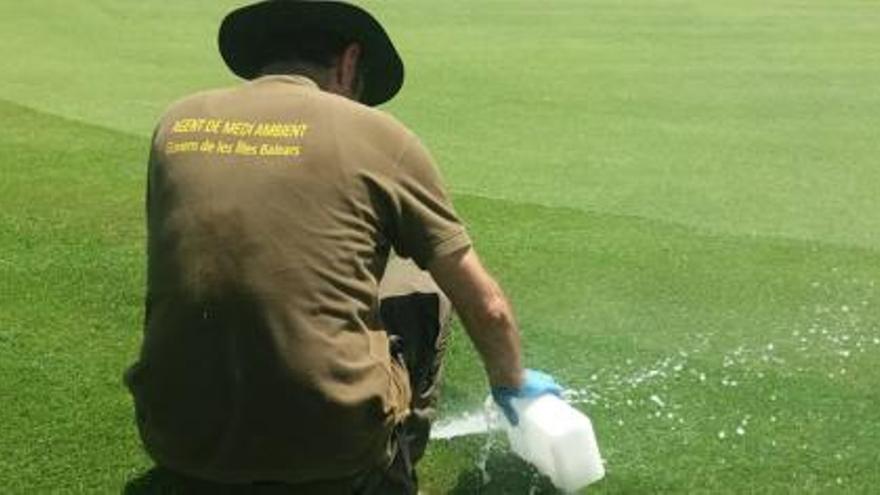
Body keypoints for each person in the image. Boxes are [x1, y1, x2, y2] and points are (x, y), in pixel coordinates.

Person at [124, 1, 562, 493]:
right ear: (349, 62)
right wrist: (514, 387)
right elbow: (489, 307)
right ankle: (390, 471)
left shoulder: (176, 124)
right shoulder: (381, 136)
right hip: (328, 450)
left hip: (174, 436)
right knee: (423, 286)